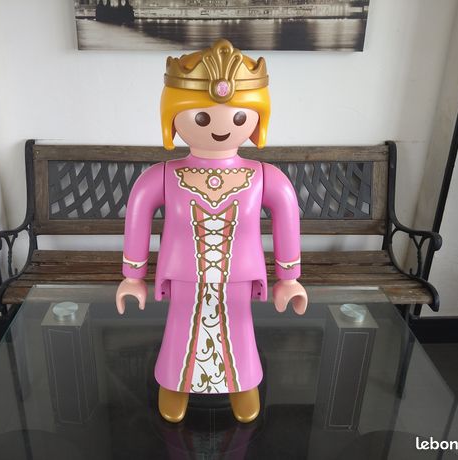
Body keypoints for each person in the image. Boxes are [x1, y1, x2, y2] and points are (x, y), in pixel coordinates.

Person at [116, 39, 307, 423]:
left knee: (239, 329)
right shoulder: (163, 176)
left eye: (238, 118)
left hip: (239, 276)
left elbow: (287, 214)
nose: (221, 127)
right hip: (184, 275)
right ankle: (175, 384)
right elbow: (138, 212)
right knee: (180, 330)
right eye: (201, 118)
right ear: (173, 117)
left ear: (256, 118)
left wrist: (290, 279)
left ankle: (243, 384)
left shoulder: (264, 176)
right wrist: (132, 277)